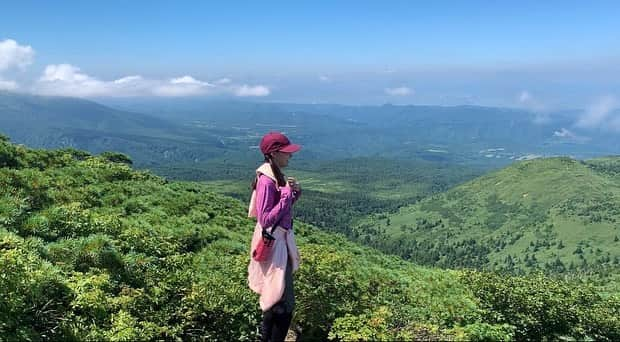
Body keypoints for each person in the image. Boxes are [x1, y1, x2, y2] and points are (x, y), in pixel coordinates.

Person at [247, 131, 302, 342]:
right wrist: (286, 195)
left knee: (274, 296)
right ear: (273, 154)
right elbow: (266, 218)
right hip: (275, 244)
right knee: (283, 303)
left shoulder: (274, 174)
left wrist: (294, 194)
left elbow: (281, 213)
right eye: (286, 152)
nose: (290, 156)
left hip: (280, 241)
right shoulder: (267, 181)